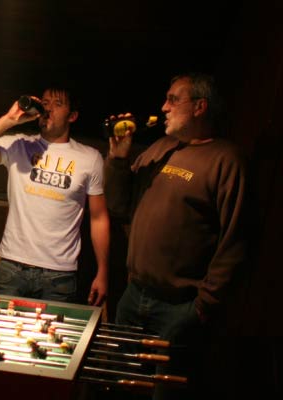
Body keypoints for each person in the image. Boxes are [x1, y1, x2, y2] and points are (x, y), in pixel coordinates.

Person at [104, 73, 247, 399]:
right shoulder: (161, 148)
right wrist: (118, 159)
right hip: (134, 295)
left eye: (173, 100)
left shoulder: (226, 160)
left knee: (165, 394)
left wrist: (203, 306)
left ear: (199, 107)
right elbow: (119, 206)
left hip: (180, 307)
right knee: (120, 386)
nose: (164, 107)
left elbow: (235, 240)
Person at [0, 87, 110, 305]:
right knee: (3, 326)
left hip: (60, 274)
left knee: (53, 329)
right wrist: (9, 119)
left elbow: (99, 217)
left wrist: (102, 272)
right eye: (45, 103)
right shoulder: (19, 145)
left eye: (57, 104)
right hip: (13, 267)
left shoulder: (90, 158)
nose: (48, 109)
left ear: (72, 116)